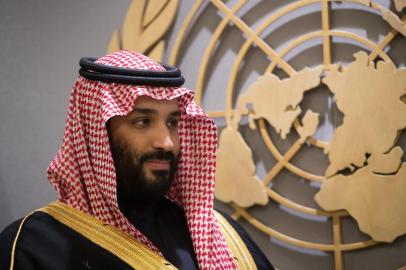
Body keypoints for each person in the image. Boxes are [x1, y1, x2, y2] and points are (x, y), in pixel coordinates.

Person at [0, 50, 274, 270]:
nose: (166, 142)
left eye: (172, 123)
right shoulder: (33, 247)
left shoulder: (222, 236)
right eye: (142, 122)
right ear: (97, 134)